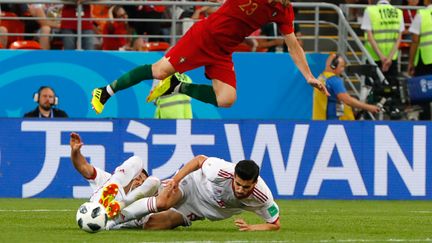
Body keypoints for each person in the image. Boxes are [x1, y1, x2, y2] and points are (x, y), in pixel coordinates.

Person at [90, 0, 329, 115]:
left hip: (223, 50)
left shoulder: (283, 10)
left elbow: (293, 44)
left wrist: (308, 76)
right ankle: (105, 91)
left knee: (226, 99)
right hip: (204, 37)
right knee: (159, 70)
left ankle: (178, 87)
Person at [103, 155, 280, 231]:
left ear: (254, 183)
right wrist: (176, 180)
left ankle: (124, 223)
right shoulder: (221, 170)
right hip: (192, 186)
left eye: (246, 187)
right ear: (233, 176)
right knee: (163, 202)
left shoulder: (262, 196)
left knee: (152, 225)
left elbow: (274, 224)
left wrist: (252, 228)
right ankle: (113, 219)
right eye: (238, 184)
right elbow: (198, 161)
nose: (240, 190)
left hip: (200, 211)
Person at [69, 132, 161, 216]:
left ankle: (113, 209)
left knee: (154, 181)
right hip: (95, 206)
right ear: (132, 176)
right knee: (137, 160)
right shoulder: (106, 178)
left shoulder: (140, 204)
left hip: (115, 217)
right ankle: (108, 200)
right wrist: (75, 152)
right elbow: (83, 167)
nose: (140, 182)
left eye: (143, 182)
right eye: (139, 177)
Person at [312, 54, 380, 120]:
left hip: (320, 118)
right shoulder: (334, 80)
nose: (343, 69)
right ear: (333, 66)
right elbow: (347, 100)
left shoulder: (321, 77)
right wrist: (369, 107)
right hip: (332, 121)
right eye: (341, 66)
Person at [360, 0, 404, 86]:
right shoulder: (398, 12)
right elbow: (399, 39)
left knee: (372, 91)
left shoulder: (369, 11)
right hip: (391, 60)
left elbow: (370, 37)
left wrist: (382, 58)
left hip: (373, 58)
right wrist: (389, 59)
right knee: (391, 91)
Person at [407, 0, 432, 120]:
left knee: (424, 92)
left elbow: (415, 40)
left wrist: (411, 62)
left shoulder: (421, 14)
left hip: (425, 59)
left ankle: (425, 120)